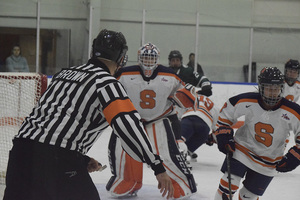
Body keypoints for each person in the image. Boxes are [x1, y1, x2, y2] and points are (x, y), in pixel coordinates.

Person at [3, 30, 174, 200]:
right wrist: (157, 166)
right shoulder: (106, 83)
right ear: (121, 58)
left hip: (21, 154)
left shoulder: (63, 75)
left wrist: (81, 159)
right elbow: (129, 127)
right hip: (57, 159)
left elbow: (50, 123)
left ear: (93, 51)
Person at [106, 43, 197, 199]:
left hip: (159, 119)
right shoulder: (124, 73)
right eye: (145, 58)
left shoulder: (170, 75)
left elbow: (186, 90)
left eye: (152, 58)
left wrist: (187, 94)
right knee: (122, 151)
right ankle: (127, 181)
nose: (148, 61)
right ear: (139, 58)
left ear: (157, 59)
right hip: (131, 121)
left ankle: (180, 183)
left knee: (166, 154)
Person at [212, 67, 300, 200]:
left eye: (276, 89)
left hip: (269, 160)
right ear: (261, 87)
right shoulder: (246, 100)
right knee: (228, 185)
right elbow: (225, 115)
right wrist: (224, 134)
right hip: (242, 150)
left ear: (281, 88)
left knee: (248, 196)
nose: (272, 93)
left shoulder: (292, 111)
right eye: (269, 88)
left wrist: (295, 156)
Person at [178, 89, 219, 162]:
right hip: (205, 124)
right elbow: (216, 126)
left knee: (180, 140)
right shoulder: (212, 104)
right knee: (201, 137)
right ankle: (189, 151)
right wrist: (212, 137)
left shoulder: (190, 97)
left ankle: (179, 154)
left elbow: (179, 115)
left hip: (189, 118)